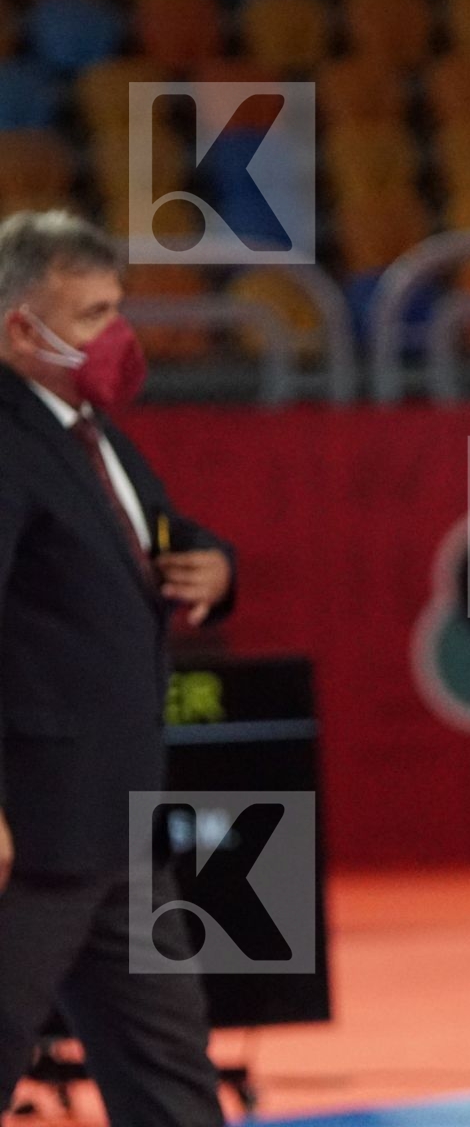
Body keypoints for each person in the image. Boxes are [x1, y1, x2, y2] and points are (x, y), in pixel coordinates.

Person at [0, 210, 236, 1126]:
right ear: (24, 326)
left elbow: (155, 533)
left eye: (115, 308)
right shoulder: (9, 439)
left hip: (115, 827)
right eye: (94, 314)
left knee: (170, 1071)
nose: (118, 336)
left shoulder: (88, 431)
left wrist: (216, 564)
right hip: (31, 830)